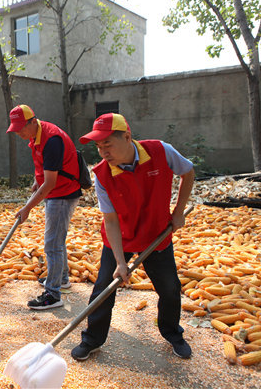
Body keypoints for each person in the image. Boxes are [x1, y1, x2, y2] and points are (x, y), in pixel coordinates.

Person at [72, 113, 195, 361]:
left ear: (127, 137)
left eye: (108, 144)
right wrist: (120, 262)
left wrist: (179, 211)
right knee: (103, 290)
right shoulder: (103, 175)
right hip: (122, 236)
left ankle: (172, 333)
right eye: (98, 146)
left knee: (170, 289)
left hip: (156, 233)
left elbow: (188, 171)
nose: (103, 151)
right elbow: (111, 220)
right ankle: (92, 339)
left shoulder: (161, 151)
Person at [7, 105, 82, 310]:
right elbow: (43, 166)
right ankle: (62, 277)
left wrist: (27, 208)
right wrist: (36, 179)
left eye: (21, 128)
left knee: (52, 244)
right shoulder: (36, 136)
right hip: (56, 190)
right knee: (57, 239)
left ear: (33, 121)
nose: (19, 133)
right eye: (15, 129)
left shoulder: (52, 140)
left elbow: (50, 183)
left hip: (62, 193)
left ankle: (53, 294)